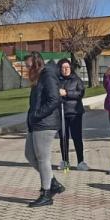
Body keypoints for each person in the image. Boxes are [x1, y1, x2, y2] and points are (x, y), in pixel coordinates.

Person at [24, 52, 65, 207]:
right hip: (36, 123)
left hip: (45, 124)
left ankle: (46, 193)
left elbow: (54, 99)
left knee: (43, 159)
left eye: (29, 66)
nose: (27, 69)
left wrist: (37, 115)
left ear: (36, 65)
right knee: (29, 155)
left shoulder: (47, 76)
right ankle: (53, 182)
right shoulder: (39, 77)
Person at [57, 58, 87, 171]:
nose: (65, 70)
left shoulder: (76, 79)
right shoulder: (57, 80)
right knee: (63, 138)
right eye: (63, 68)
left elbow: (80, 93)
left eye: (67, 67)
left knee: (77, 137)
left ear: (70, 68)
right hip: (61, 113)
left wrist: (66, 93)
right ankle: (65, 161)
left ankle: (81, 161)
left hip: (75, 113)